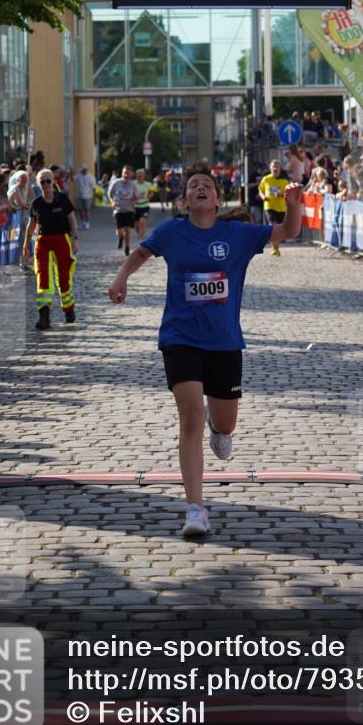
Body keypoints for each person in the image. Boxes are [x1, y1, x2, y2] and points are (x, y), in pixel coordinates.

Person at [107, 164, 303, 538]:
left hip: (224, 341)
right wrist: (120, 278)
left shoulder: (238, 234)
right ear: (184, 201)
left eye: (206, 186)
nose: (199, 188)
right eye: (192, 185)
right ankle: (195, 509)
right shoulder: (172, 231)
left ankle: (221, 424)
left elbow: (288, 231)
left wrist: (292, 204)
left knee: (223, 425)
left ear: (216, 200)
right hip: (179, 337)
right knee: (190, 418)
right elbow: (140, 255)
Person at [23, 168, 79, 329]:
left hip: (62, 240)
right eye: (43, 182)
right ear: (38, 184)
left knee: (64, 277)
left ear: (53, 182)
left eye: (49, 181)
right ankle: (44, 316)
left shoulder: (62, 199)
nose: (46, 184)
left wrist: (75, 239)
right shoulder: (36, 203)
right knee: (43, 277)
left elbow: (72, 220)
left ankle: (69, 310)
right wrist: (25, 245)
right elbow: (31, 226)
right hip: (43, 243)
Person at [258, 160, 290, 256]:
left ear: (280, 168)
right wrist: (263, 196)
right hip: (269, 206)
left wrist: (281, 194)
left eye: (277, 167)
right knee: (273, 225)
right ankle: (274, 248)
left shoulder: (284, 181)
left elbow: (288, 194)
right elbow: (260, 189)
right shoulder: (266, 179)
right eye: (273, 167)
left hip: (281, 208)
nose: (275, 168)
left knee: (278, 228)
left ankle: (276, 247)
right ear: (270, 168)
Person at [109, 165, 138, 255]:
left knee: (128, 231)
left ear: (131, 175)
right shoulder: (116, 182)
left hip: (129, 210)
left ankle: (127, 247)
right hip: (118, 210)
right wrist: (112, 203)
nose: (126, 175)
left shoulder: (133, 185)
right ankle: (121, 238)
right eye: (124, 173)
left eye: (127, 173)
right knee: (120, 231)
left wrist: (134, 202)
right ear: (122, 173)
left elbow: (136, 197)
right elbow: (109, 194)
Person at [133, 168, 153, 242]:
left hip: (144, 206)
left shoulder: (148, 184)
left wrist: (148, 196)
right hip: (135, 206)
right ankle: (140, 234)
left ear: (144, 176)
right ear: (136, 176)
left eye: (141, 176)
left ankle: (142, 238)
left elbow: (151, 193)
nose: (140, 177)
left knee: (142, 222)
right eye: (138, 176)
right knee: (136, 225)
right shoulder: (133, 183)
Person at [74, 164, 97, 230]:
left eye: (82, 170)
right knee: (81, 210)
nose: (81, 171)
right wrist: (71, 172)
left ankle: (87, 223)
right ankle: (82, 222)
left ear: (85, 169)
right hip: (80, 196)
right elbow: (72, 178)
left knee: (86, 210)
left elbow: (93, 188)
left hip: (88, 196)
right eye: (80, 170)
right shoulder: (79, 175)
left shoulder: (91, 177)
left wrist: (94, 197)